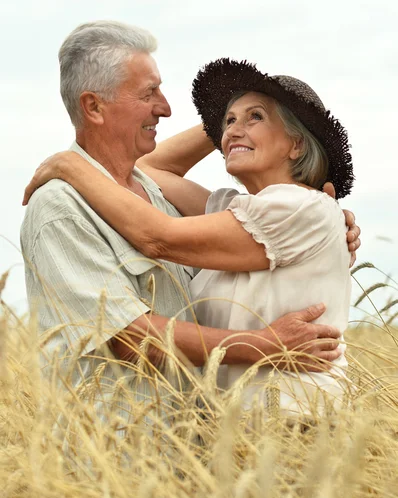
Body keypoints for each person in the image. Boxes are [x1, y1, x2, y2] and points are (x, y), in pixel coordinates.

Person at [23, 35, 360, 417]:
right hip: (236, 431)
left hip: (292, 420)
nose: (232, 129)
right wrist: (229, 123)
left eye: (256, 117)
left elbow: (156, 237)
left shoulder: (298, 208)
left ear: (296, 144)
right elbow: (148, 171)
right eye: (228, 121)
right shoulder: (236, 211)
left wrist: (70, 165)